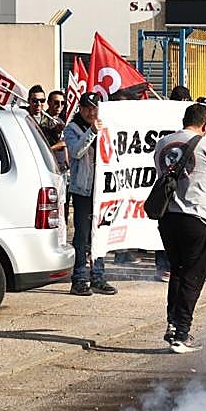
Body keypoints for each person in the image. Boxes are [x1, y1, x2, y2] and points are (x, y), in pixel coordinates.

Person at [154, 103, 206, 352]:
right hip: (196, 219)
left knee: (178, 273)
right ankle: (181, 332)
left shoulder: (163, 143)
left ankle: (173, 325)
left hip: (168, 218)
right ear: (205, 125)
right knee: (192, 277)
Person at [64, 92, 118, 297]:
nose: (90, 112)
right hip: (83, 190)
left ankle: (98, 276)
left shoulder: (106, 125)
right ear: (80, 108)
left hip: (103, 191)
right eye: (86, 107)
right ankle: (78, 278)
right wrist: (92, 133)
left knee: (100, 235)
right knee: (82, 236)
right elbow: (76, 152)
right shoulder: (72, 128)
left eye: (94, 107)